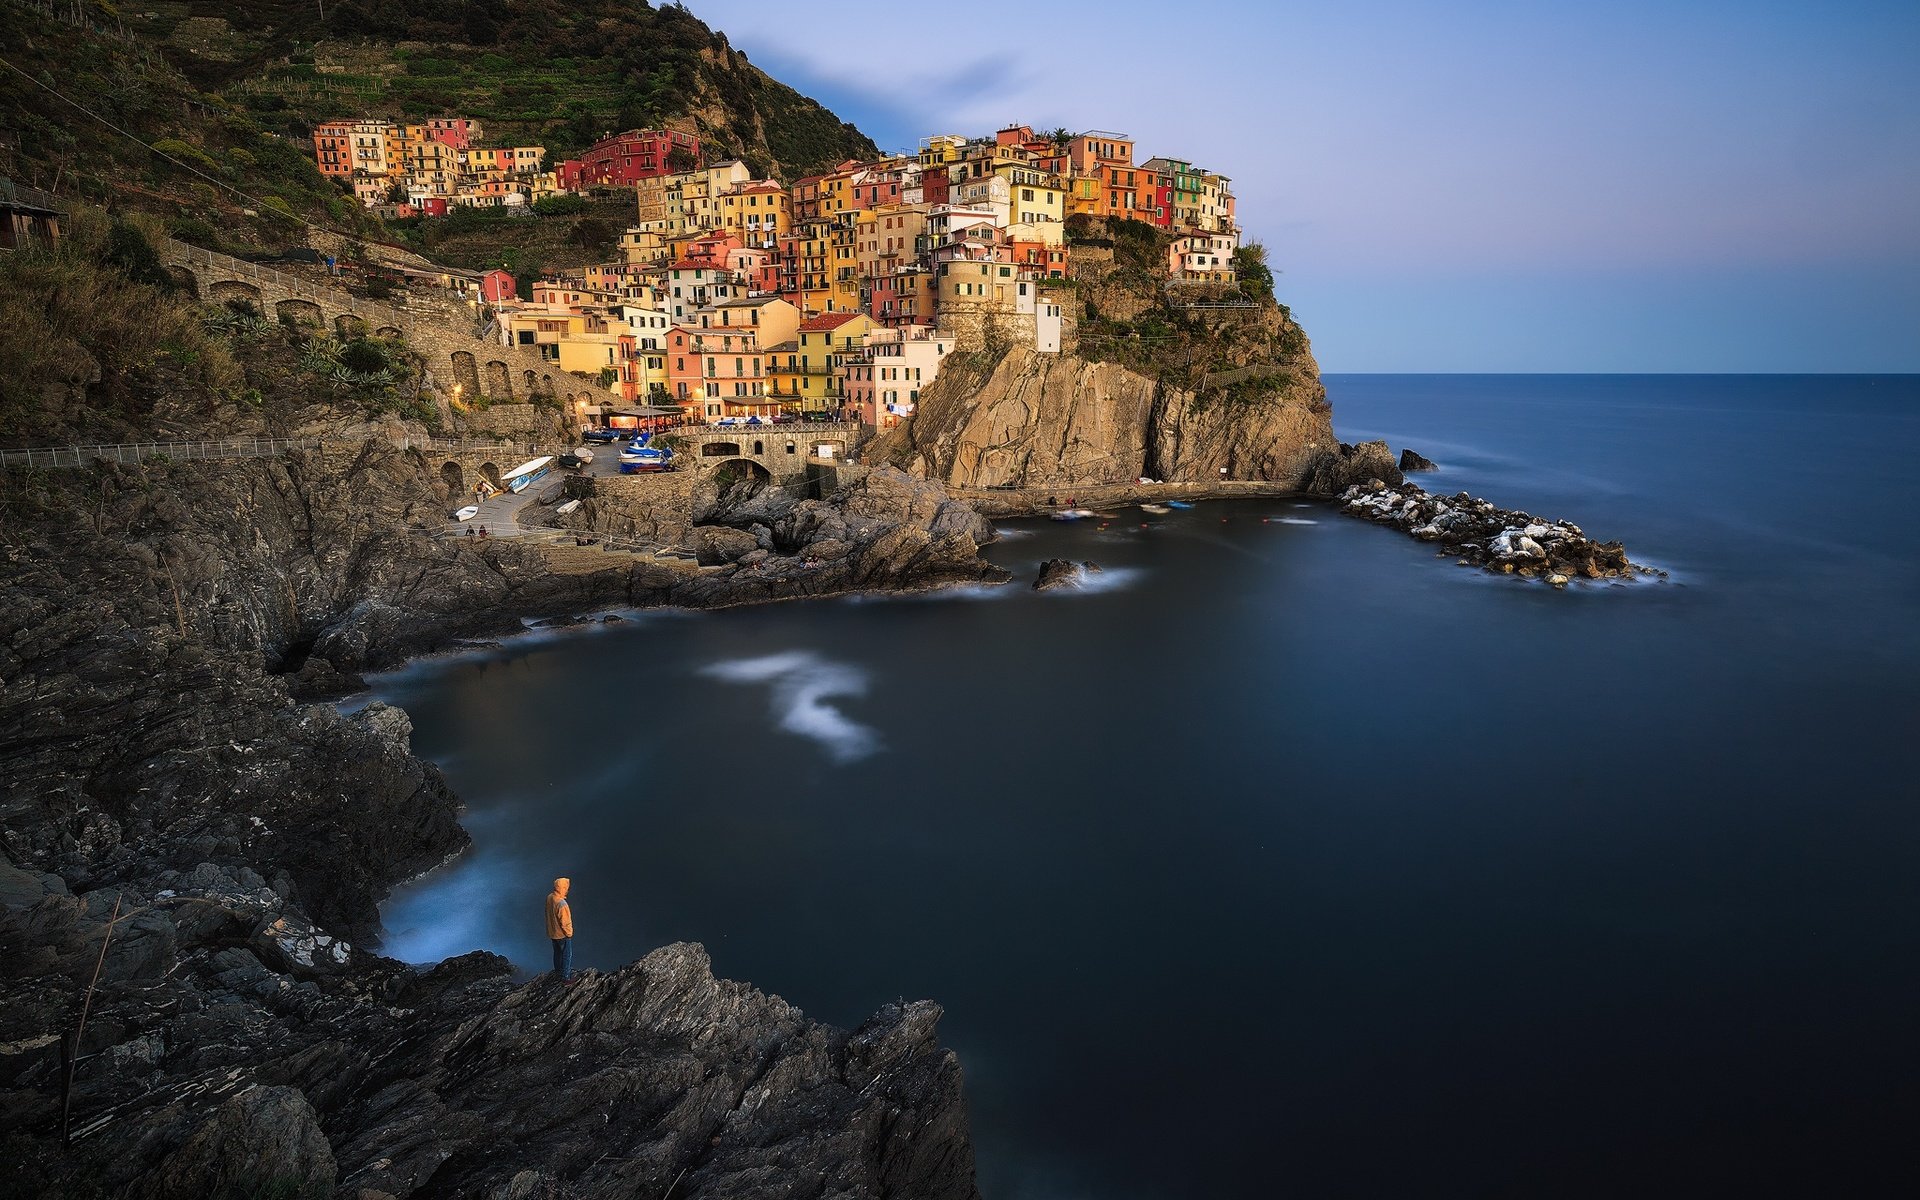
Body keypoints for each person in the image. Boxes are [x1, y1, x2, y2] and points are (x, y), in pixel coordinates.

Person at [546, 877, 574, 982]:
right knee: (567, 955)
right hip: (562, 934)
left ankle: (557, 972)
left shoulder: (550, 897)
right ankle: (565, 977)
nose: (567, 889)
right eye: (566, 887)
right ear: (562, 888)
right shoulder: (562, 904)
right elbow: (565, 922)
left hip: (552, 932)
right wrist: (569, 934)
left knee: (557, 953)